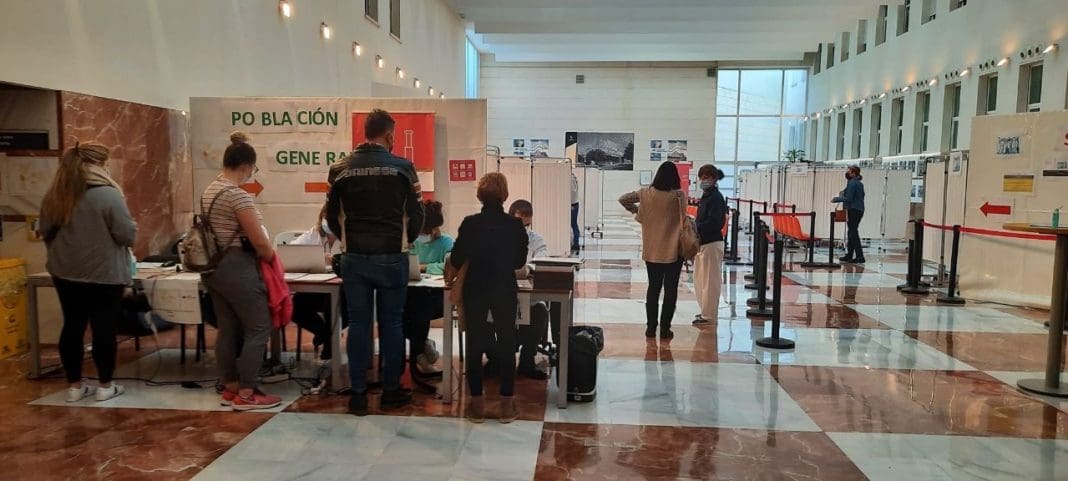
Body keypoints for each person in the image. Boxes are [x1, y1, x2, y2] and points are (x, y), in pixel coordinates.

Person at [327, 109, 425, 416]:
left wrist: (346, 241)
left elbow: (331, 216)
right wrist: (405, 240)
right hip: (392, 255)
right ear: (390, 135)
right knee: (392, 323)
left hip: (354, 257)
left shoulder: (339, 169)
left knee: (358, 323)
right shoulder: (403, 168)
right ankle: (391, 391)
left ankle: (358, 394)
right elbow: (418, 214)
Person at [40, 142, 136, 403]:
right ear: (99, 164)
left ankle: (74, 386)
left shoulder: (56, 195)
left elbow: (45, 230)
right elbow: (126, 235)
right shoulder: (108, 195)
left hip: (65, 271)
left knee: (72, 325)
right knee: (104, 327)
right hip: (104, 273)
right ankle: (105, 386)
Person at [200, 132, 282, 411]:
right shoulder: (237, 196)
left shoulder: (209, 191)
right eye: (253, 170)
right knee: (259, 327)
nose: (251, 175)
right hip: (237, 268)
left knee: (228, 328)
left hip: (213, 268)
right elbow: (259, 240)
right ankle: (248, 392)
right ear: (246, 166)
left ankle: (231, 386)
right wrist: (271, 258)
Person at [450, 173, 528, 423]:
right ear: (505, 195)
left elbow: (456, 258)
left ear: (479, 195)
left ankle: (477, 405)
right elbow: (519, 262)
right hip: (504, 286)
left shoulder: (470, 224)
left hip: (475, 287)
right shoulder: (515, 226)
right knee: (507, 342)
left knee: (475, 343)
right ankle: (506, 405)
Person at [619, 161, 686, 340]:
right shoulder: (679, 196)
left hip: (652, 250)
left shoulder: (645, 193)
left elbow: (623, 199)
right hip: (674, 251)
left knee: (653, 288)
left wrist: (638, 212)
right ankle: (665, 329)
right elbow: (683, 219)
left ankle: (650, 327)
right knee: (671, 290)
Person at [405, 199, 452, 388]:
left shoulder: (447, 242)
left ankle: (418, 353)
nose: (425, 234)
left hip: (437, 297)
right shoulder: (409, 241)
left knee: (420, 306)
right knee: (405, 308)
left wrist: (424, 267)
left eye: (429, 230)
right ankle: (421, 347)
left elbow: (449, 266)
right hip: (410, 295)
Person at [509, 199, 554, 380]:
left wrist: (528, 269)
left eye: (527, 225)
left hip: (528, 295)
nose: (523, 229)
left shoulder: (536, 239)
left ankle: (527, 360)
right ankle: (495, 359)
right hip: (501, 295)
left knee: (540, 311)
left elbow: (541, 259)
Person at [289, 204, 341, 361]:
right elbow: (292, 250)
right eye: (326, 217)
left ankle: (329, 342)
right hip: (316, 287)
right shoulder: (314, 234)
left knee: (332, 305)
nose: (328, 221)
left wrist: (335, 261)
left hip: (341, 290)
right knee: (294, 306)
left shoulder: (348, 237)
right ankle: (324, 334)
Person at [692, 165, 727, 326]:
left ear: (713, 178)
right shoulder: (707, 196)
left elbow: (715, 222)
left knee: (710, 281)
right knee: (700, 280)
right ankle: (705, 311)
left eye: (706, 177)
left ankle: (709, 315)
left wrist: (696, 227)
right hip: (703, 243)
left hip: (712, 243)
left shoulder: (716, 198)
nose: (703, 180)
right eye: (701, 177)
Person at [832, 165, 866, 264]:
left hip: (853, 209)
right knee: (851, 232)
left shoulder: (852, 183)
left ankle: (860, 256)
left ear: (853, 173)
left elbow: (849, 198)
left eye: (849, 171)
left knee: (853, 232)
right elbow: (861, 195)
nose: (847, 173)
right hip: (859, 210)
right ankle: (850, 255)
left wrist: (836, 199)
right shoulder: (859, 183)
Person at [570, 171, 580, 253]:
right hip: (574, 203)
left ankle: (576, 243)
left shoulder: (570, 177)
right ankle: (575, 242)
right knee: (574, 224)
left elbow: (572, 192)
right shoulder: (573, 176)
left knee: (573, 224)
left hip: (572, 204)